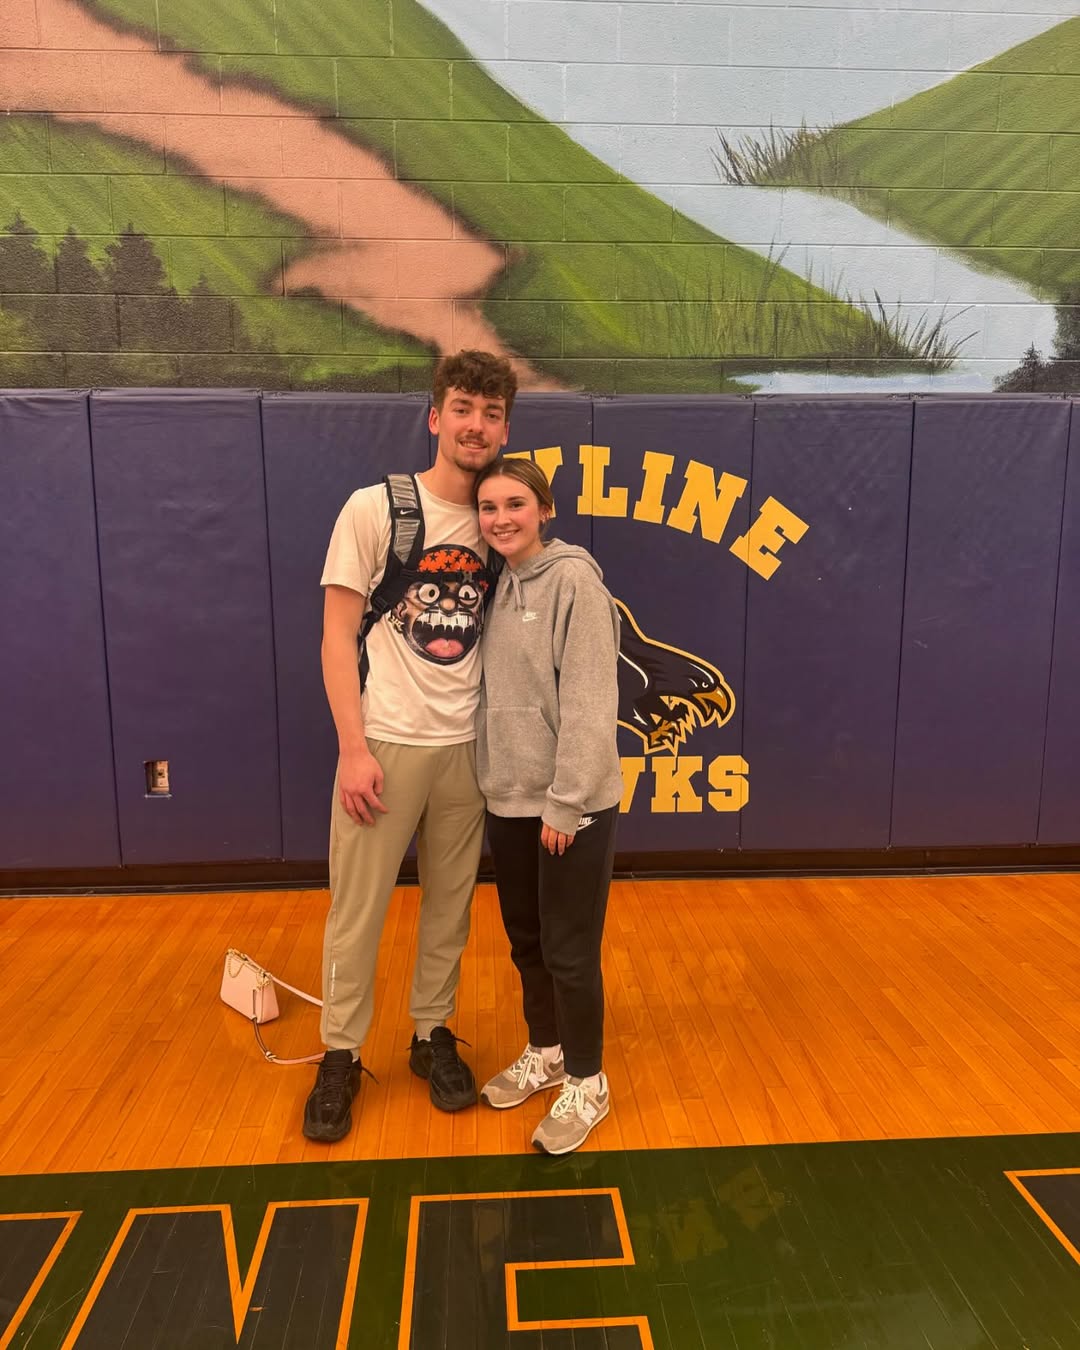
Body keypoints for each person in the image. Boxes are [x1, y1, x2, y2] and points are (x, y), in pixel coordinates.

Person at [304, 350, 517, 1143]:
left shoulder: (503, 522)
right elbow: (335, 637)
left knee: (451, 907)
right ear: (435, 417)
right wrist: (352, 748)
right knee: (356, 912)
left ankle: (432, 1035)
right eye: (463, 408)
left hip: (468, 751)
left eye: (491, 414)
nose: (476, 425)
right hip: (386, 745)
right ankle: (340, 1053)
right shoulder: (375, 510)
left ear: (505, 429)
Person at [473, 457, 623, 1154]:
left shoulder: (574, 583)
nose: (501, 518)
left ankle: (589, 1082)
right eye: (489, 507)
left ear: (545, 510)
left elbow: (591, 703)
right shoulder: (498, 584)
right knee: (528, 941)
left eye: (515, 504)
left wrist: (565, 804)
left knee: (569, 950)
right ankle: (548, 1052)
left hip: (570, 806)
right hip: (508, 798)